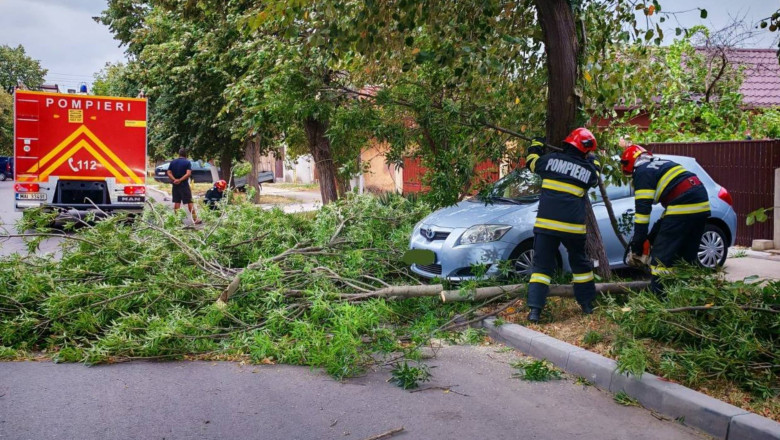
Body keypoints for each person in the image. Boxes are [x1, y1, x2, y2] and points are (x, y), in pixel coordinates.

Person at [524, 128, 602, 323]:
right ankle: (587, 306)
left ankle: (535, 312)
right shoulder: (587, 170)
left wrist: (536, 145)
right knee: (580, 265)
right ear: (585, 150)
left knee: (541, 268)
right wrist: (594, 160)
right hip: (573, 228)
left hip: (546, 226)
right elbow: (596, 175)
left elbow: (531, 162)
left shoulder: (549, 161)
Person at [620, 144, 710, 296]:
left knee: (660, 259)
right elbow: (669, 215)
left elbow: (642, 213)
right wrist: (650, 238)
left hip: (683, 205)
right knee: (686, 257)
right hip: (701, 204)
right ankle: (688, 295)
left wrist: (638, 243)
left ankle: (660, 299)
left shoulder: (642, 172)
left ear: (630, 165)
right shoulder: (663, 164)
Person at [166, 148, 201, 224]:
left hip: (175, 185)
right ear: (186, 155)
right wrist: (180, 180)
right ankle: (195, 219)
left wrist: (175, 179)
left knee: (177, 202)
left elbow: (168, 172)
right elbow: (188, 173)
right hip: (184, 185)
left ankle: (177, 220)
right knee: (189, 201)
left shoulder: (173, 162)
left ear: (179, 154)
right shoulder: (187, 162)